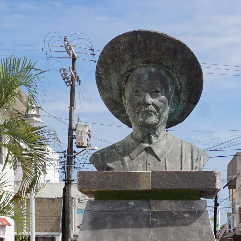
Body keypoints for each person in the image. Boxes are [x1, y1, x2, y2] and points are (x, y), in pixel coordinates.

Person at [89, 30, 208, 171]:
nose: (146, 100)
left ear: (174, 101)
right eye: (137, 93)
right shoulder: (105, 159)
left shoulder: (192, 157)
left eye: (156, 92)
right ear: (124, 100)